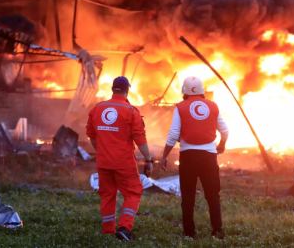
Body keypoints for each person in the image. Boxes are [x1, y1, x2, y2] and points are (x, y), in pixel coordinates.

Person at [159, 76, 229, 238]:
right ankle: (217, 231)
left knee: (188, 196)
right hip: (209, 157)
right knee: (213, 195)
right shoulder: (213, 106)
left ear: (184, 91)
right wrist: (221, 145)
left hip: (188, 157)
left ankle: (190, 233)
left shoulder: (181, 107)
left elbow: (174, 134)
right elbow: (225, 131)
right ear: (202, 90)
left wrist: (164, 157)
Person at [86, 76, 153, 241]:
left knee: (107, 195)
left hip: (103, 162)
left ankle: (108, 231)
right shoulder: (131, 111)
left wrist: (103, 151)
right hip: (124, 162)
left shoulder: (97, 109)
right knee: (133, 192)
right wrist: (149, 159)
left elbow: (92, 137)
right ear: (127, 90)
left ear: (112, 89)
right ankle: (124, 228)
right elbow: (140, 139)